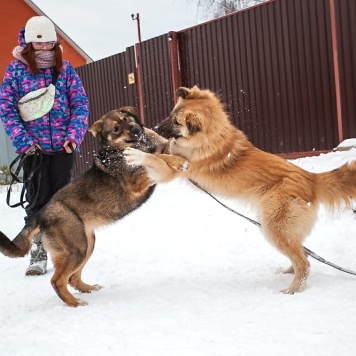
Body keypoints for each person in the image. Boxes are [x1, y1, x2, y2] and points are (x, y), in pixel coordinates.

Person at [0, 16, 89, 276]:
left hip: (63, 148)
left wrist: (74, 135)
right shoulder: (16, 71)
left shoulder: (65, 69)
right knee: (37, 202)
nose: (44, 47)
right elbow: (6, 109)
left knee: (63, 203)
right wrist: (24, 142)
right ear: (28, 43)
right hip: (33, 151)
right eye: (38, 44)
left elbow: (80, 104)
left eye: (49, 42)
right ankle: (38, 251)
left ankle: (64, 249)